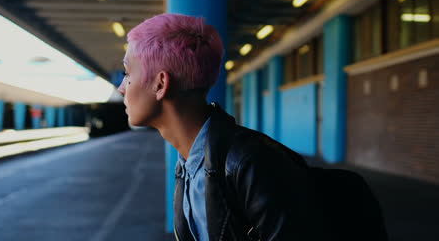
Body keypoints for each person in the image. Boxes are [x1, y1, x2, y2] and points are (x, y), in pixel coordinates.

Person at [117, 13, 387, 241]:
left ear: (161, 84)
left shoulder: (252, 164)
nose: (121, 87)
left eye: (128, 73)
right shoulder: (188, 166)